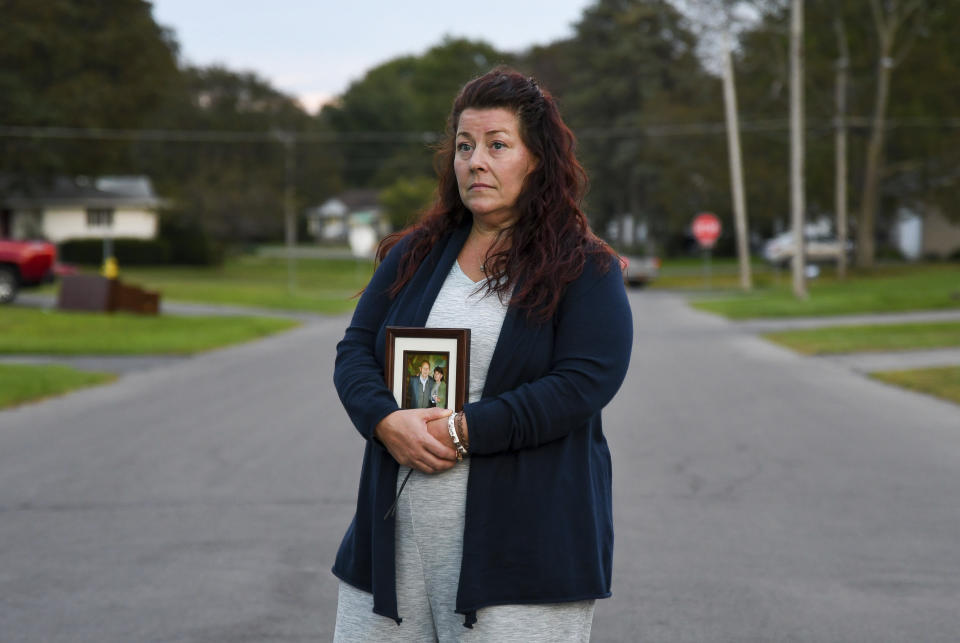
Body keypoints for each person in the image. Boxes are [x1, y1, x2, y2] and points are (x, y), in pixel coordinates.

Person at [332, 67, 632, 642]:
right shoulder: (413, 255)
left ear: (537, 158)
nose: (476, 161)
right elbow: (354, 353)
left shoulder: (584, 268)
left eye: (498, 145)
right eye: (465, 147)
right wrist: (383, 419)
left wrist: (466, 430)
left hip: (524, 559)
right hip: (392, 553)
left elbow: (583, 383)